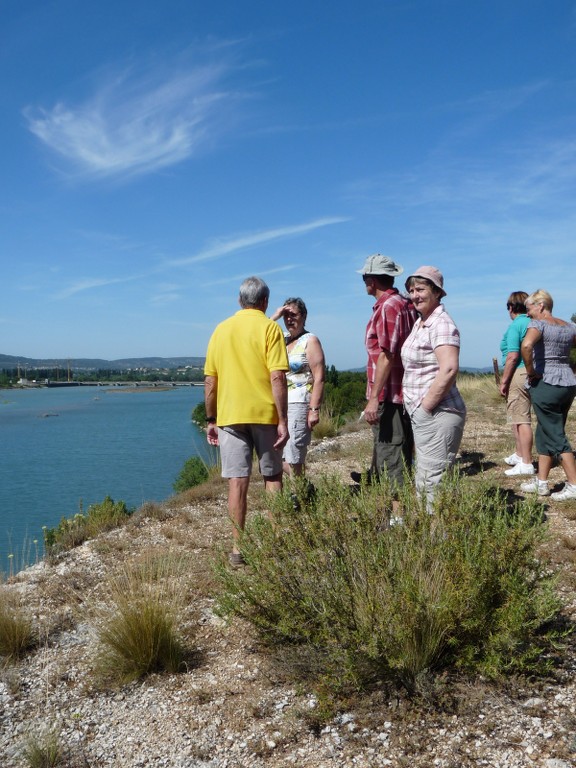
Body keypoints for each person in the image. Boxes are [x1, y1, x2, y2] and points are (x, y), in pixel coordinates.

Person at [204, 276, 289, 565]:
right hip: (265, 414)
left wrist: (211, 418)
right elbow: (277, 376)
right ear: (264, 301)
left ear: (240, 301)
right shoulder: (270, 328)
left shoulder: (221, 330)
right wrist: (283, 420)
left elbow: (210, 381)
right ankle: (276, 543)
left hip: (229, 416)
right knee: (273, 477)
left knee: (237, 482)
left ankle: (238, 549)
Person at [400, 266, 466, 508]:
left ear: (437, 292)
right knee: (427, 478)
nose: (415, 295)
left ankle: (437, 540)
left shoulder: (441, 324)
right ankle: (435, 535)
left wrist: (425, 407)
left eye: (421, 289)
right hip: (427, 413)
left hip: (438, 412)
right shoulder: (423, 322)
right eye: (411, 290)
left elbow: (449, 368)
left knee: (432, 482)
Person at [353, 253, 417, 489]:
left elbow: (387, 355)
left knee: (392, 452)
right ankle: (380, 491)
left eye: (365, 278)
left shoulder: (389, 307)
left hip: (390, 394)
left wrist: (373, 399)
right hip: (399, 391)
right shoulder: (402, 303)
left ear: (372, 280)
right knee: (392, 448)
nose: (364, 283)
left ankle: (397, 516)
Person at [519, 289, 576, 501]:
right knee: (545, 430)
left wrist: (531, 371)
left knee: (555, 433)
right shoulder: (569, 326)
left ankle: (573, 484)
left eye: (529, 308)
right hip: (568, 382)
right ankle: (541, 482)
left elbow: (526, 345)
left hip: (546, 382)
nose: (528, 314)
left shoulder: (538, 325)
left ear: (541, 305)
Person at [270, 297, 325, 476]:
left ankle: (300, 496)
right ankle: (303, 490)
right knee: (277, 452)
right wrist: (275, 316)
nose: (289, 319)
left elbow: (319, 377)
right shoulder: (282, 339)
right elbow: (258, 334)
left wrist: (314, 409)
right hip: (280, 404)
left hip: (300, 402)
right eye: (286, 316)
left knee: (294, 455)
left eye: (293, 315)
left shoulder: (310, 340)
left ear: (304, 316)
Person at [499, 291, 534, 476]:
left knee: (521, 418)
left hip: (518, 372)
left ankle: (526, 463)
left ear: (511, 307)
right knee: (516, 416)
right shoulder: (533, 323)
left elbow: (513, 356)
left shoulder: (516, 325)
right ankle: (520, 455)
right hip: (530, 372)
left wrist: (504, 381)